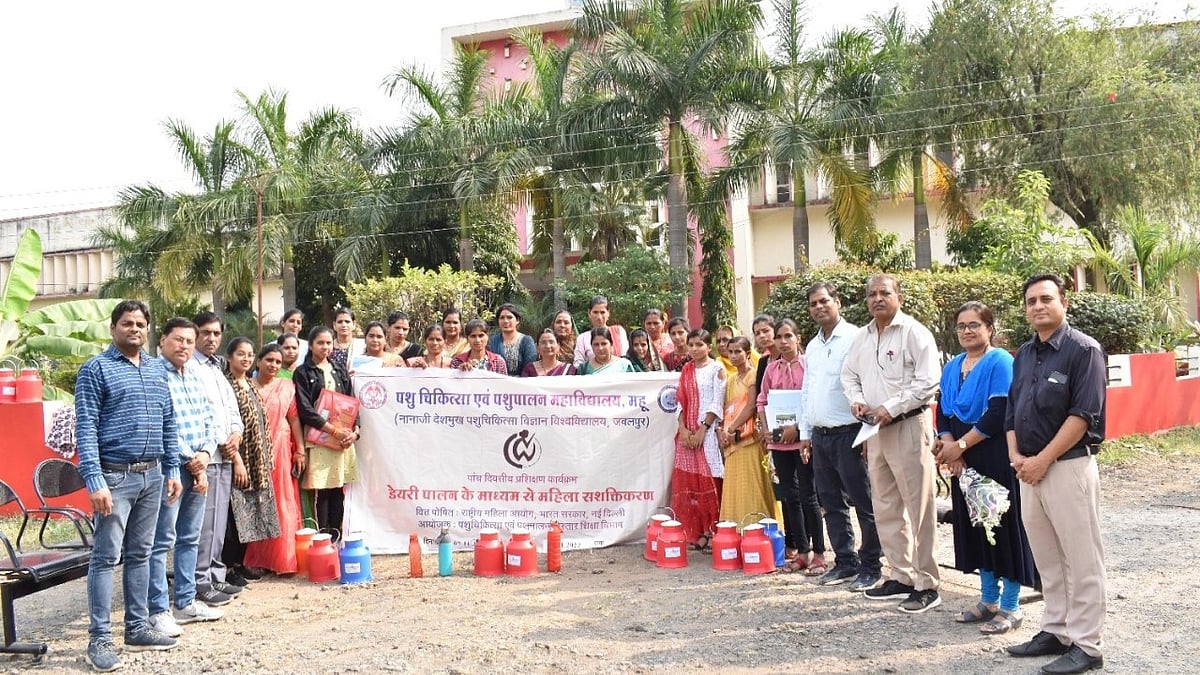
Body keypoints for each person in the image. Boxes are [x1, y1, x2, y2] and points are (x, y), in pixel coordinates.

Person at [1004, 274, 1107, 674]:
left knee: (1082, 559)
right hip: (1029, 470)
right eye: (1030, 301)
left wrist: (1043, 459)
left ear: (1064, 302)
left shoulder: (1084, 351)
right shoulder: (1024, 355)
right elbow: (1013, 410)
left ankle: (1088, 645)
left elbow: (1084, 415)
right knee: (1048, 557)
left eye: (1046, 299)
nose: (1037, 306)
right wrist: (1016, 455)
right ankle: (1056, 629)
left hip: (1067, 468)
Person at [75, 300, 183, 670]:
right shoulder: (96, 369)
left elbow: (169, 421)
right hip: (115, 478)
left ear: (148, 329)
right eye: (126, 323)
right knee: (105, 557)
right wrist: (95, 479)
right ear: (112, 328)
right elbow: (85, 428)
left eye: (140, 323)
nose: (134, 328)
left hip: (153, 476)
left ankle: (137, 626)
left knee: (141, 553)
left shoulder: (156, 370)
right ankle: (99, 639)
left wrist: (171, 469)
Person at [936, 301, 1038, 635]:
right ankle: (987, 599)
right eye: (962, 325)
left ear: (989, 328)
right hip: (963, 463)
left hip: (994, 455)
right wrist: (952, 451)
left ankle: (1010, 605)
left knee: (1002, 528)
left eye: (974, 325)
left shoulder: (1000, 361)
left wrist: (960, 446)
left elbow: (997, 413)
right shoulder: (952, 367)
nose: (967, 331)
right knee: (977, 529)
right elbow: (943, 414)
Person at [841, 274, 941, 613]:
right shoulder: (863, 337)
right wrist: (856, 400)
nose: (878, 299)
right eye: (872, 294)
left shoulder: (914, 332)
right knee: (885, 505)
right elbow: (849, 375)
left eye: (885, 293)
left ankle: (927, 582)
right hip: (874, 431)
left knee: (919, 507)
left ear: (898, 295)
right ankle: (900, 575)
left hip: (908, 425)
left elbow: (928, 382)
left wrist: (891, 407)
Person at [797, 283, 882, 592]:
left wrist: (869, 434)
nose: (819, 307)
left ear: (838, 302)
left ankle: (871, 565)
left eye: (824, 301)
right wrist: (806, 433)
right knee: (830, 502)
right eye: (813, 304)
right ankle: (845, 562)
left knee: (864, 502)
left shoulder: (857, 338)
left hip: (851, 433)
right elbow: (807, 391)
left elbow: (869, 385)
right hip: (820, 438)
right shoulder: (813, 346)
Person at [148, 318, 221, 642]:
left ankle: (185, 602)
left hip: (198, 466)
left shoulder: (194, 375)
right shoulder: (153, 374)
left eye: (189, 341)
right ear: (163, 340)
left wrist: (205, 454)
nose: (185, 346)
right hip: (171, 470)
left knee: (189, 537)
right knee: (161, 541)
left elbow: (209, 419)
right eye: (178, 340)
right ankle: (158, 611)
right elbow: (163, 424)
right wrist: (193, 460)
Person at [758, 318, 825, 574]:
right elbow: (762, 400)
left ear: (798, 338)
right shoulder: (771, 369)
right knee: (789, 497)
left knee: (809, 496)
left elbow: (813, 401)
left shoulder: (809, 366)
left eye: (788, 336)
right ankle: (801, 552)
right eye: (779, 337)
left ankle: (819, 553)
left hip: (803, 440)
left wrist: (796, 430)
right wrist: (766, 428)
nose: (783, 342)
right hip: (778, 444)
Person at [191, 311, 246, 604]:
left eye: (216, 333)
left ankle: (216, 575)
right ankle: (200, 582)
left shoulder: (216, 369)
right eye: (205, 332)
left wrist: (235, 436)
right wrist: (219, 442)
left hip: (225, 455)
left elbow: (231, 411)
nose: (211, 338)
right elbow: (198, 416)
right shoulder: (190, 367)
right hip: (206, 458)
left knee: (218, 523)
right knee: (204, 524)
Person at [244, 343, 305, 575]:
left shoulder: (286, 386)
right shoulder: (246, 387)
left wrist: (300, 450)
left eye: (278, 362)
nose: (273, 365)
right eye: (269, 360)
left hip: (281, 448)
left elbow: (294, 419)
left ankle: (284, 559)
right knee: (259, 502)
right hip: (254, 451)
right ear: (258, 361)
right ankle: (259, 559)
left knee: (283, 502)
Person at [223, 337, 280, 584]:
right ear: (229, 357)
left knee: (251, 512)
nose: (245, 359)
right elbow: (226, 427)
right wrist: (237, 460)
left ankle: (241, 563)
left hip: (258, 461)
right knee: (235, 516)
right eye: (240, 355)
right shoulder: (226, 386)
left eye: (249, 355)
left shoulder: (249, 383)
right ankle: (228, 568)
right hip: (239, 460)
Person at [294, 326, 359, 537]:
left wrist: (353, 431)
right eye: (320, 343)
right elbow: (305, 409)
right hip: (320, 438)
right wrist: (333, 430)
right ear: (311, 345)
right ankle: (324, 538)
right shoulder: (303, 372)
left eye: (328, 343)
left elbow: (351, 402)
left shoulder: (339, 369)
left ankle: (338, 534)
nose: (325, 347)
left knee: (338, 489)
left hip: (341, 440)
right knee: (322, 490)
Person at [671, 328, 726, 548]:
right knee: (692, 484)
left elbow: (717, 401)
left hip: (709, 433)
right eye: (691, 345)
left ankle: (715, 530)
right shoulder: (686, 369)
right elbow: (680, 401)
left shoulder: (717, 369)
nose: (694, 349)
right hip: (688, 435)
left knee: (710, 480)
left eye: (699, 345)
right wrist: (683, 429)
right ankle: (701, 530)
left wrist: (703, 428)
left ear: (708, 347)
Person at [715, 336, 775, 528]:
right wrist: (722, 431)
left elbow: (751, 407)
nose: (733, 355)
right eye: (730, 351)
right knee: (735, 487)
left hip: (749, 439)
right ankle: (735, 530)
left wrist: (731, 428)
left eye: (738, 351)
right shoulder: (731, 379)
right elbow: (727, 408)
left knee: (752, 485)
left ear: (748, 354)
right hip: (732, 440)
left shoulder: (753, 376)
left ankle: (756, 529)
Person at [574, 295, 628, 367]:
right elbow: (578, 365)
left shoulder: (619, 332)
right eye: (595, 312)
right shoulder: (582, 338)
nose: (599, 317)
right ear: (589, 313)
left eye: (602, 312)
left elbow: (624, 357)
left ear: (608, 313)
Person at [487, 303, 537, 376]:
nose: (505, 321)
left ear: (517, 320)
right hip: (497, 383)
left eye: (509, 317)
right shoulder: (493, 341)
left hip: (522, 384)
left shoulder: (527, 341)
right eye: (502, 318)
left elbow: (529, 368)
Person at [330, 307, 363, 371]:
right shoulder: (329, 346)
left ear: (354, 324)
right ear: (334, 325)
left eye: (347, 322)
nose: (344, 325)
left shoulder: (362, 346)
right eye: (340, 322)